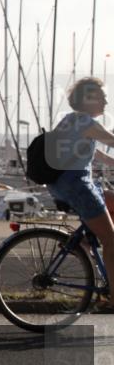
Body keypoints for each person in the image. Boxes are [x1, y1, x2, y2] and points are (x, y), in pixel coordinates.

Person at [46, 77, 114, 276]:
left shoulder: (70, 119)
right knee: (111, 241)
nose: (106, 102)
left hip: (64, 185)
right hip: (77, 187)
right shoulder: (86, 122)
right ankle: (112, 297)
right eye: (102, 97)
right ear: (88, 99)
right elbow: (111, 140)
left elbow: (100, 155)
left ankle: (84, 240)